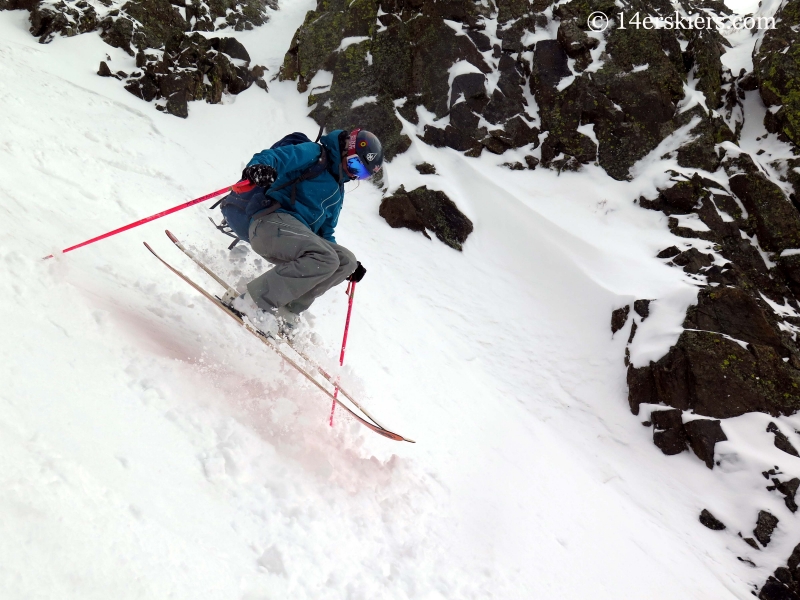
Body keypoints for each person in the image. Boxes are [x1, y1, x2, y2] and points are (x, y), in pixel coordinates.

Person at [225, 128, 383, 334]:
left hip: (292, 235)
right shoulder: (316, 154)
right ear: (346, 149)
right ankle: (252, 301)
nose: (353, 174)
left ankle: (287, 310)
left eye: (361, 173)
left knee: (345, 261)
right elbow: (275, 157)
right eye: (354, 164)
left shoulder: (337, 191)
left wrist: (350, 269)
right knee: (325, 257)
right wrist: (258, 168)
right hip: (268, 223)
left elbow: (325, 234)